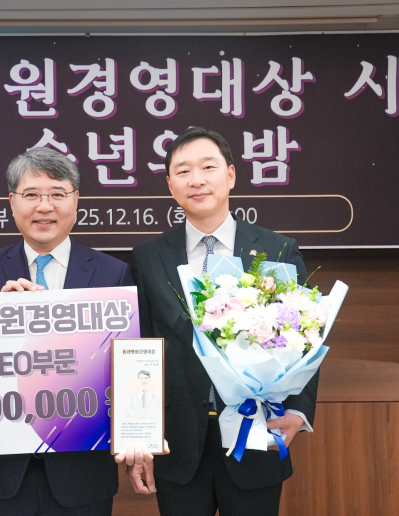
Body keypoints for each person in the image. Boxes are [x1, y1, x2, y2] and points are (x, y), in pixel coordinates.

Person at [127, 127, 318, 516]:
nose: (196, 180)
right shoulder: (148, 258)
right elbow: (138, 348)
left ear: (230, 175)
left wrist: (297, 411)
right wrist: (139, 435)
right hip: (178, 445)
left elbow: (305, 336)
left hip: (258, 435)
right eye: (183, 171)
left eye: (208, 167)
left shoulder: (277, 249)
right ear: (170, 185)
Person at [0, 147, 133, 516]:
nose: (44, 206)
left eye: (57, 194)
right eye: (31, 194)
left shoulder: (112, 273)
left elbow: (131, 367)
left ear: (76, 201)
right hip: (7, 472)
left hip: (83, 471)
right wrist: (0, 320)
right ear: (12, 202)